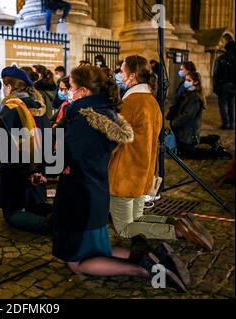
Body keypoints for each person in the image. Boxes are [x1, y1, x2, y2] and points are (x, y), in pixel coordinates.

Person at [52, 65, 189, 292]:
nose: (69, 92)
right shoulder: (105, 114)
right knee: (97, 247)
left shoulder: (80, 118)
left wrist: (54, 143)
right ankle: (154, 255)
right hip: (95, 191)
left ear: (84, 91)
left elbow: (64, 157)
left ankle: (147, 270)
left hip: (77, 196)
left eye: (72, 88)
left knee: (77, 262)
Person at [108, 55, 214, 251]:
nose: (119, 75)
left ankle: (179, 231)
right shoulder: (152, 102)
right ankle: (176, 222)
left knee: (124, 227)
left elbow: (115, 139)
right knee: (138, 217)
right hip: (144, 172)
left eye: (121, 71)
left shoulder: (131, 103)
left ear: (132, 76)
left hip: (124, 174)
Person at [0, 66, 53, 235]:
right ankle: (69, 215)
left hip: (16, 169)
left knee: (11, 214)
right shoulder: (38, 105)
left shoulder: (10, 108)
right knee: (36, 204)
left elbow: (5, 144)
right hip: (38, 165)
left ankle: (55, 226)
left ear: (9, 87)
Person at [170, 71, 232, 159]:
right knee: (185, 149)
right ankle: (209, 139)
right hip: (187, 131)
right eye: (185, 80)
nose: (186, 82)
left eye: (188, 80)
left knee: (191, 154)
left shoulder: (194, 97)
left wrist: (174, 122)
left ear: (195, 82)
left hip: (189, 132)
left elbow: (187, 115)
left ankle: (217, 153)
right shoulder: (189, 93)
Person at [213, 40, 235, 130]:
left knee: (222, 105)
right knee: (231, 105)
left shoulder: (220, 59)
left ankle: (226, 123)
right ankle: (232, 124)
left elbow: (215, 73)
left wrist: (216, 87)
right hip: (233, 86)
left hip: (223, 85)